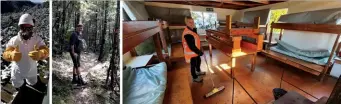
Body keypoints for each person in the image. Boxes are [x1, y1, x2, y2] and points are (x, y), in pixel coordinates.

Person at [2, 13, 49, 89]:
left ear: (32, 28)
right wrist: (11, 55)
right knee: (17, 84)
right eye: (23, 27)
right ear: (20, 27)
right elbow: (5, 54)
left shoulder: (37, 39)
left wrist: (40, 54)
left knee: (32, 82)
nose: (26, 30)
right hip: (17, 71)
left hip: (32, 71)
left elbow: (46, 50)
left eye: (29, 28)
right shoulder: (14, 40)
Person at [182, 16, 206, 82]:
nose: (192, 23)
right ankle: (194, 77)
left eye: (192, 22)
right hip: (191, 52)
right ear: (186, 23)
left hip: (195, 51)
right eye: (190, 22)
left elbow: (196, 40)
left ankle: (198, 71)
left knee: (198, 61)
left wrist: (199, 48)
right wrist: (199, 52)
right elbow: (191, 46)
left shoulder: (192, 30)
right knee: (193, 64)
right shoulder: (187, 33)